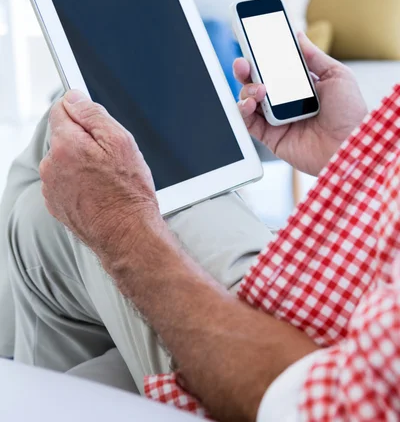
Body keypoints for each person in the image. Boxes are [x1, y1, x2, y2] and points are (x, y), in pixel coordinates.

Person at [0, 33, 377, 422]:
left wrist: (122, 225)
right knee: (38, 212)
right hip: (350, 290)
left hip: (291, 362)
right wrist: (353, 153)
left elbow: (316, 406)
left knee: (73, 125)